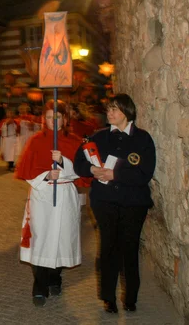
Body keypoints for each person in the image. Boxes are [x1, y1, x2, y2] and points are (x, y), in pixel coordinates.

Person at [73, 94, 156, 314]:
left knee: (129, 249)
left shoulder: (143, 139)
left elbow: (145, 172)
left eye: (115, 110)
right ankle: (108, 297)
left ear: (127, 113)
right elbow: (79, 163)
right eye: (108, 109)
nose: (109, 113)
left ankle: (130, 298)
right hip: (104, 202)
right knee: (108, 248)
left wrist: (115, 174)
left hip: (133, 204)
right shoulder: (98, 137)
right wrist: (91, 170)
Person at [16, 100, 83, 308]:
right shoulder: (36, 141)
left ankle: (56, 276)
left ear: (65, 119)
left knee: (62, 237)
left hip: (65, 195)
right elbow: (27, 172)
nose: (54, 121)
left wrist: (63, 163)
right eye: (49, 116)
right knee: (42, 236)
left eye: (58, 116)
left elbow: (82, 172)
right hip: (42, 194)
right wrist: (46, 175)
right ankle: (39, 285)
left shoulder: (74, 141)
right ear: (43, 119)